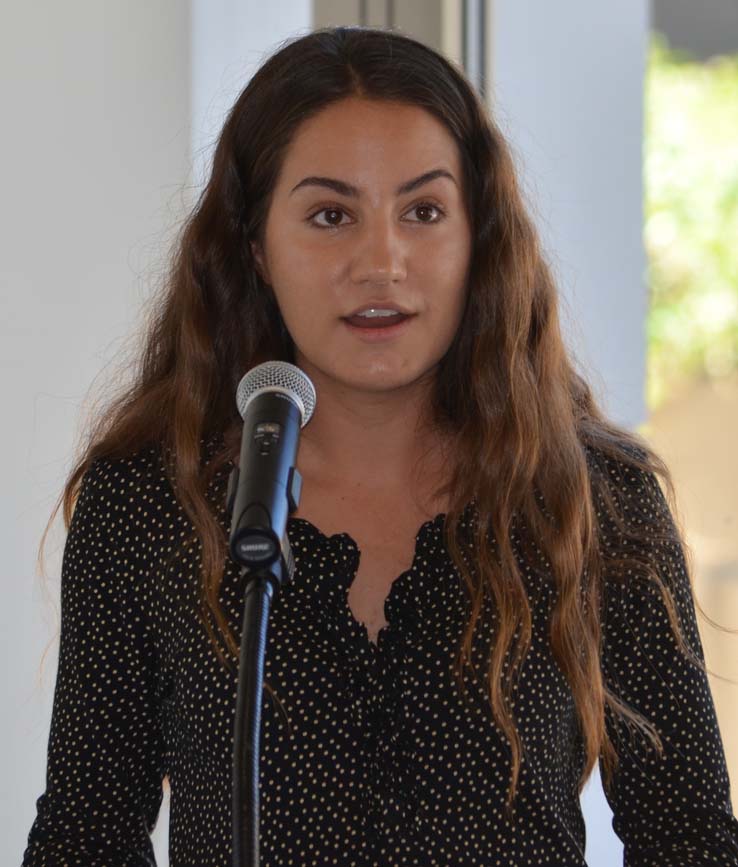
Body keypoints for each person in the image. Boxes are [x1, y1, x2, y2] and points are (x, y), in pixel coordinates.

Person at [23, 25, 738, 866]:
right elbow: (86, 834)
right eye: (331, 215)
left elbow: (689, 837)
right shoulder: (149, 499)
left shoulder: (594, 498)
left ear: (478, 237)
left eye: (424, 212)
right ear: (254, 245)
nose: (382, 261)